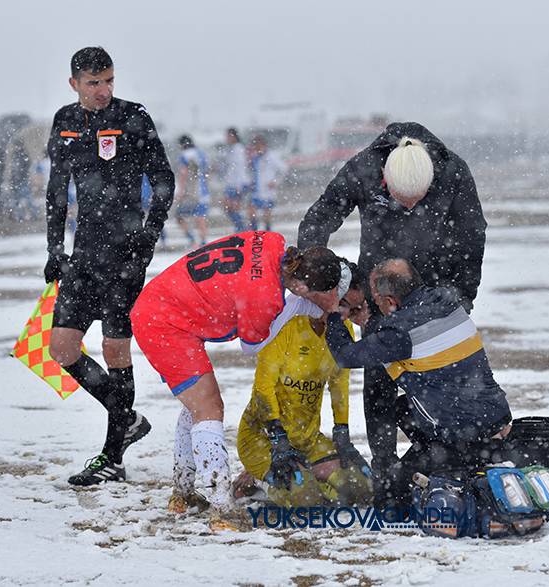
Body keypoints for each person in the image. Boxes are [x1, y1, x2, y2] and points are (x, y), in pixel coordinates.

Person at [297, 122, 488, 506]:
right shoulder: (364, 168)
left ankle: (444, 455)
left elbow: (473, 235)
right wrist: (324, 281)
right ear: (384, 181)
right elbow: (318, 220)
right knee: (379, 378)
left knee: (442, 381)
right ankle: (386, 467)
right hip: (379, 287)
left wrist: (462, 296)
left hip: (433, 289)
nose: (410, 210)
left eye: (419, 202)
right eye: (403, 202)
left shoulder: (453, 170)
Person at [130, 231, 344, 522]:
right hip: (164, 320)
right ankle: (220, 509)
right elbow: (251, 345)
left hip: (167, 296)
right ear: (301, 287)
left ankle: (181, 495)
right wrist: (300, 307)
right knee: (209, 407)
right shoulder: (267, 297)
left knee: (197, 403)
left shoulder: (273, 241)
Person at [44, 46, 175, 486]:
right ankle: (128, 420)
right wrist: (53, 249)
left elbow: (164, 181)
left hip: (125, 255)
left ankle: (112, 456)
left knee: (116, 350)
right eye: (94, 83)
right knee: (61, 349)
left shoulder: (133, 116)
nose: (103, 90)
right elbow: (57, 191)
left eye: (109, 81)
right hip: (83, 255)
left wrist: (148, 236)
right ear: (75, 84)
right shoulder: (65, 123)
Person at [324, 258, 512, 510]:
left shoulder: (399, 333)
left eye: (377, 298)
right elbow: (408, 334)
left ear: (390, 301)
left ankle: (452, 463)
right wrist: (373, 323)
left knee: (389, 500)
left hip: (461, 432)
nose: (373, 302)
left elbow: (345, 356)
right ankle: (456, 456)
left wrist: (334, 315)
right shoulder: (447, 301)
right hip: (491, 415)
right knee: (402, 406)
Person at [173, 134, 211, 247]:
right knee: (200, 217)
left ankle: (192, 240)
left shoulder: (184, 155)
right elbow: (208, 171)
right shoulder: (202, 153)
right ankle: (204, 242)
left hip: (191, 192)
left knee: (179, 216)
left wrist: (180, 192)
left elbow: (183, 174)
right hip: (203, 191)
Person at [247, 135, 287, 231]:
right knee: (251, 211)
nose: (256, 148)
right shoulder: (255, 158)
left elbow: (284, 168)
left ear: (264, 145)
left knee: (266, 213)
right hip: (256, 190)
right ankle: (254, 232)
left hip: (268, 190)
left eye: (258, 146)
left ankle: (267, 232)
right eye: (255, 146)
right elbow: (252, 172)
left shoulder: (271, 157)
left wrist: (275, 182)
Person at [222, 127, 250, 232]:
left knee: (232, 207)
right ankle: (241, 227)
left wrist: (239, 185)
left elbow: (240, 167)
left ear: (234, 136)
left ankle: (242, 228)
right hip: (231, 183)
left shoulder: (238, 149)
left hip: (238, 183)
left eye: (228, 136)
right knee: (229, 208)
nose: (226, 138)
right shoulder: (231, 149)